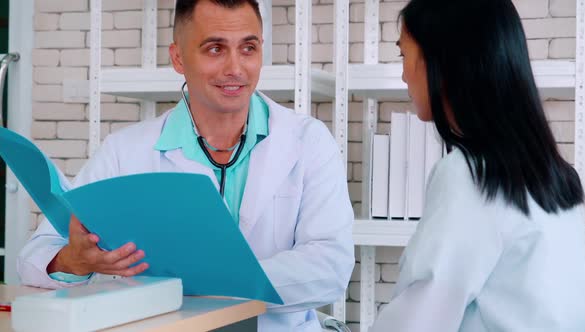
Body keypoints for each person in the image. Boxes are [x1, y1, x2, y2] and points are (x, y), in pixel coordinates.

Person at [17, 0, 355, 330]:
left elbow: (330, 268)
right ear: (178, 57)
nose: (235, 68)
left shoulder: (308, 141)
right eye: (215, 49)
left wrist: (202, 279)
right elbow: (34, 257)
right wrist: (74, 260)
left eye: (248, 48)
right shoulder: (125, 151)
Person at [370, 0, 585, 331]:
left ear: (442, 61)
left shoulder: (471, 174)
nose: (403, 74)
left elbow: (419, 320)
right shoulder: (554, 173)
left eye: (404, 55)